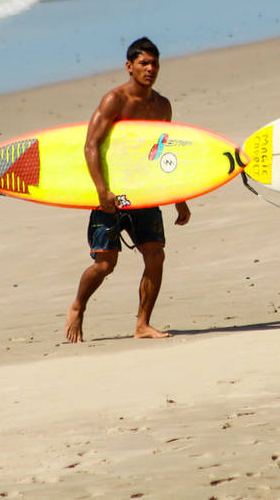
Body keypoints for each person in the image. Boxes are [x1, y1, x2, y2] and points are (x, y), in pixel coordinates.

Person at [64, 37, 190, 343]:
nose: (150, 69)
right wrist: (101, 190)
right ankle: (78, 305)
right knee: (105, 264)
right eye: (144, 63)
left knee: (155, 256)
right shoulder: (114, 101)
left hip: (144, 191)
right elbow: (91, 144)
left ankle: (143, 323)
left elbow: (163, 155)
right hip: (111, 192)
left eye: (154, 63)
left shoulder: (162, 106)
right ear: (129, 66)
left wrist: (179, 198)